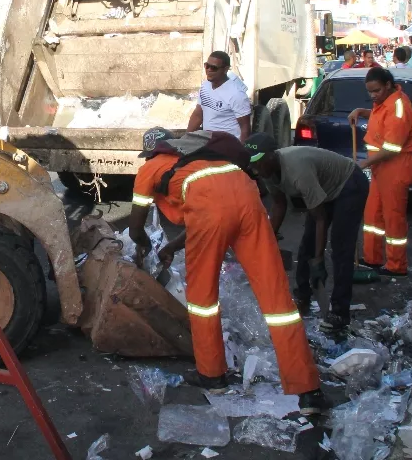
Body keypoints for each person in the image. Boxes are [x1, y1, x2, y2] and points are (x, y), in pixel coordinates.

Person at [128, 127, 327, 415]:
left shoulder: (150, 168)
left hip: (211, 210)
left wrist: (144, 243)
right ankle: (309, 391)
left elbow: (137, 228)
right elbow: (217, 207)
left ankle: (213, 376)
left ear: (152, 152)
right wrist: (173, 245)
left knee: (203, 301)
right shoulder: (201, 159)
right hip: (248, 198)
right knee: (277, 300)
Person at [246, 133, 370, 332]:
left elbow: (320, 217)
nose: (253, 169)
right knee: (306, 247)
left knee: (340, 248)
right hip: (324, 188)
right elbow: (279, 204)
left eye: (256, 162)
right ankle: (302, 298)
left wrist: (319, 260)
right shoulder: (266, 171)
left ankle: (339, 312)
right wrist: (268, 239)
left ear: (270, 156)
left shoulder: (297, 170)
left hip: (349, 183)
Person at [348, 68, 412, 277]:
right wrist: (362, 111)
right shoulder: (386, 102)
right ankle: (373, 258)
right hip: (382, 166)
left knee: (393, 216)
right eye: (369, 92)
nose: (373, 95)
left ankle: (397, 265)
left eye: (376, 91)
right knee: (373, 212)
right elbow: (382, 118)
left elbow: (392, 149)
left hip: (396, 165)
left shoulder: (399, 108)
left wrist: (364, 164)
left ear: (388, 85)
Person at [186, 50, 252, 142]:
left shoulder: (236, 94)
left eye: (214, 68)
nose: (208, 70)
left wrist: (240, 153)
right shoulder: (205, 86)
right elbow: (198, 114)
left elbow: (245, 128)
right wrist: (186, 138)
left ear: (225, 69)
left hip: (227, 144)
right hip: (207, 141)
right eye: (207, 66)